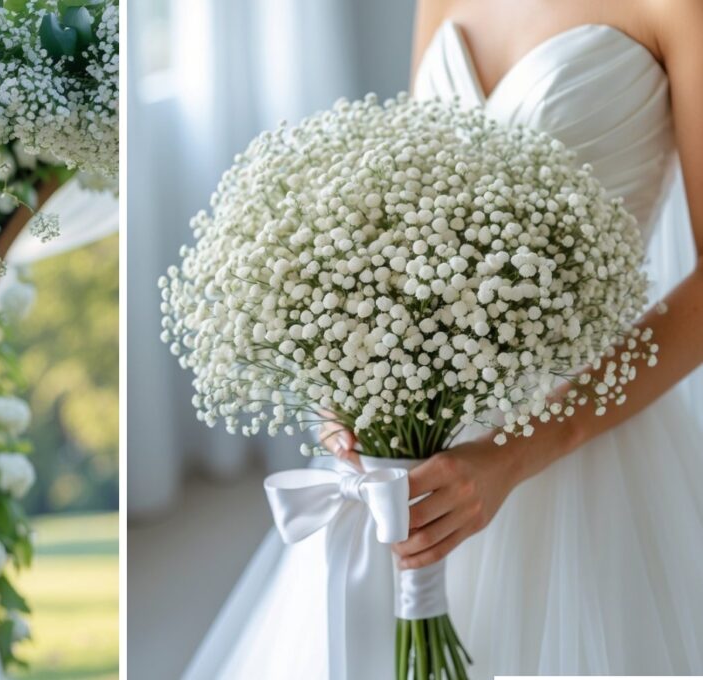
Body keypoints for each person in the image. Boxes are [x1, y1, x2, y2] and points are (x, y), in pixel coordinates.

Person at [186, 0, 703, 676]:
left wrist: (513, 455)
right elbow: (397, 205)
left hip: (588, 433)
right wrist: (343, 379)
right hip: (416, 425)